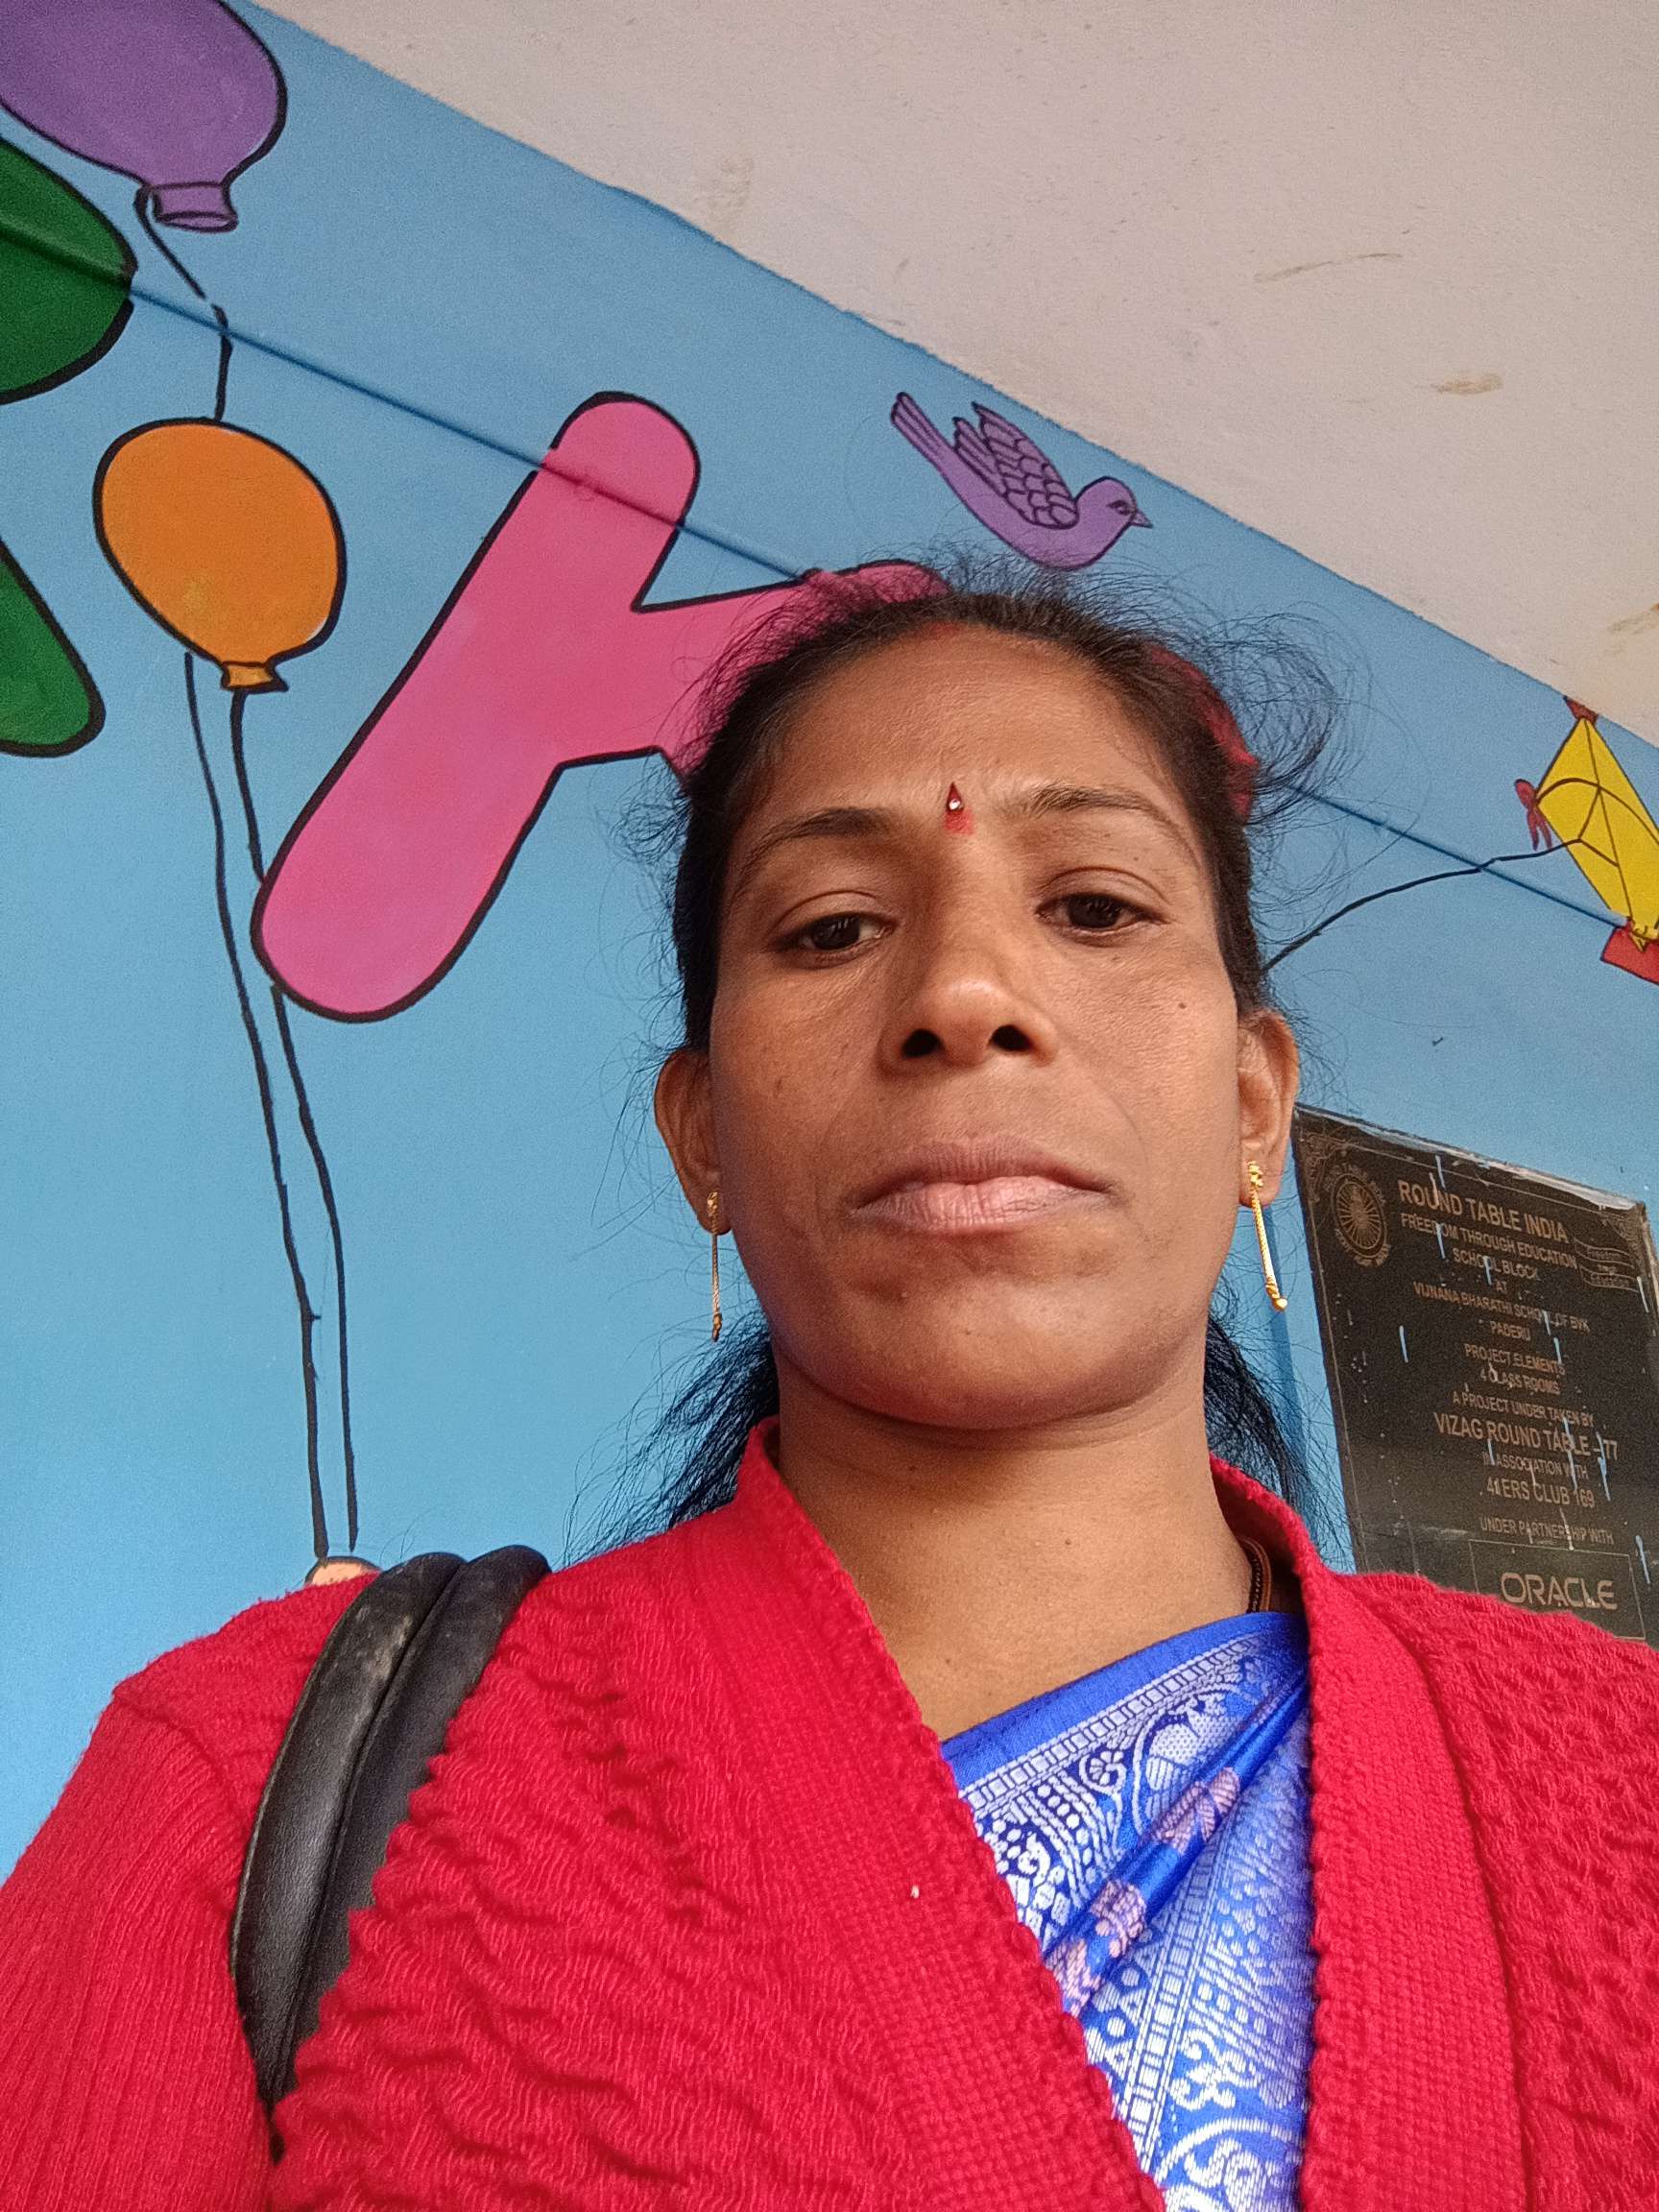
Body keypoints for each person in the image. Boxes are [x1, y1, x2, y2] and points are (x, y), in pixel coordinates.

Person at [2, 569, 1656, 2212]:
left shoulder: (1619, 1780)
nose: (963, 998)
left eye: (1095, 907)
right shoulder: (235, 1783)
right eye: (832, 929)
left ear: (1252, 1106)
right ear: (703, 1137)